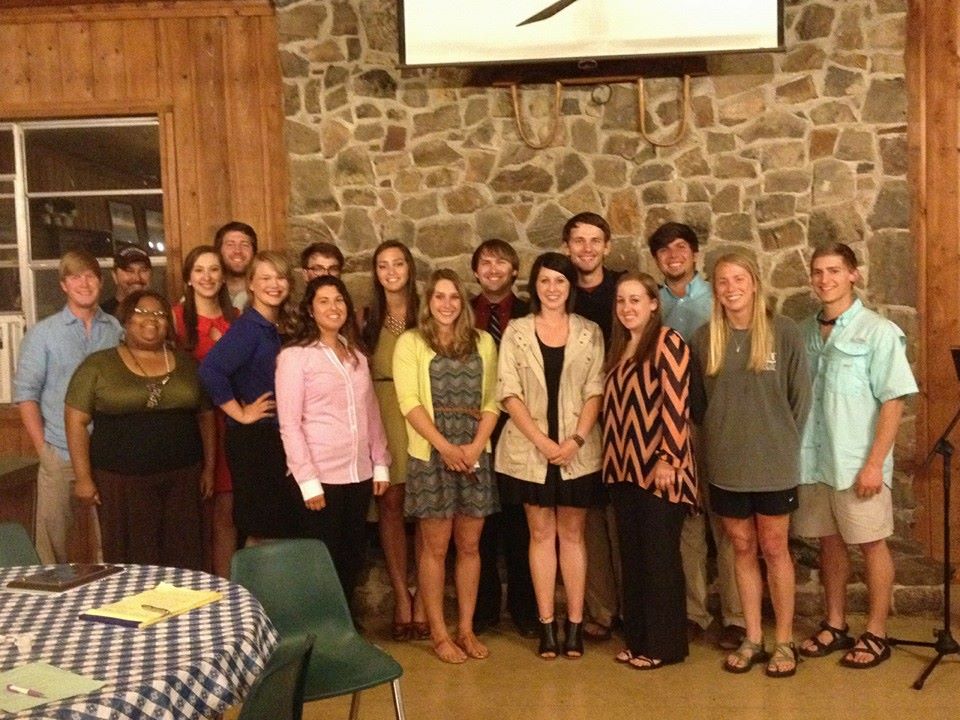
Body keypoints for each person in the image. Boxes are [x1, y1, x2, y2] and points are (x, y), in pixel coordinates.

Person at [794, 243, 918, 669]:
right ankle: (835, 624)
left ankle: (877, 632)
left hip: (856, 465)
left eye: (834, 270)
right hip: (815, 462)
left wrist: (874, 464)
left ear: (853, 275)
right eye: (818, 271)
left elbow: (893, 401)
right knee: (829, 544)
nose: (825, 279)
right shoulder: (803, 333)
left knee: (871, 544)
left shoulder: (878, 332)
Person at [691, 252, 811, 678]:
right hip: (726, 464)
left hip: (774, 463)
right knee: (741, 547)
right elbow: (699, 407)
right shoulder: (705, 338)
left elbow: (800, 399)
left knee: (775, 548)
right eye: (722, 281)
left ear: (755, 282)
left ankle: (784, 641)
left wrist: (780, 442)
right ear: (715, 290)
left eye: (739, 278)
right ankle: (753, 637)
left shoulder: (784, 331)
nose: (731, 288)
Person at [496, 251, 605, 660]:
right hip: (530, 450)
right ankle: (546, 625)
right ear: (535, 286)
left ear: (570, 286)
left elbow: (596, 389)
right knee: (540, 535)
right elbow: (508, 391)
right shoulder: (517, 331)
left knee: (573, 536)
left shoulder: (590, 331)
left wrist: (575, 439)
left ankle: (574, 624)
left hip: (577, 449)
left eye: (560, 281)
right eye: (545, 281)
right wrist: (542, 442)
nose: (552, 288)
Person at [393, 269, 500, 664]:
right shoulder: (411, 341)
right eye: (439, 296)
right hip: (432, 453)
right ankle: (439, 633)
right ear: (428, 301)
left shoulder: (483, 341)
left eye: (454, 296)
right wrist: (445, 447)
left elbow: (493, 400)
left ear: (463, 302)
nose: (447, 304)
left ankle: (465, 629)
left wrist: (475, 447)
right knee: (435, 548)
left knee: (469, 546)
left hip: (474, 452)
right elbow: (409, 401)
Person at [647, 221, 745, 650]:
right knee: (688, 519)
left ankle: (737, 616)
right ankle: (692, 612)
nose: (673, 256)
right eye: (664, 250)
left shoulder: (718, 298)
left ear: (694, 253)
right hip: (672, 426)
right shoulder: (652, 303)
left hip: (718, 421)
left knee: (727, 518)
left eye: (680, 247)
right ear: (656, 259)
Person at [65, 290, 214, 567]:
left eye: (159, 314)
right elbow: (76, 421)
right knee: (132, 559)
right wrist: (83, 478)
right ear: (126, 320)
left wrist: (209, 468)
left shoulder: (187, 364)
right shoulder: (98, 365)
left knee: (185, 554)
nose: (151, 319)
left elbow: (206, 417)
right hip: (121, 482)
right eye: (141, 313)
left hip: (183, 478)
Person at [603, 272, 697, 670]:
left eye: (635, 300)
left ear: (654, 304)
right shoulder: (621, 347)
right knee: (634, 559)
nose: (627, 308)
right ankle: (638, 639)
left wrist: (668, 457)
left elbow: (677, 403)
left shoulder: (666, 341)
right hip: (623, 469)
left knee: (659, 561)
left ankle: (664, 645)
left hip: (660, 470)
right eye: (621, 301)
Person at [277, 275, 390, 603]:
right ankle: (319, 626)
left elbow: (371, 410)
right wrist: (307, 481)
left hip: (358, 474)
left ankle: (345, 623)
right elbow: (289, 424)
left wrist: (380, 462)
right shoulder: (295, 356)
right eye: (323, 301)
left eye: (339, 300)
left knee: (351, 556)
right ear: (310, 310)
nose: (333, 307)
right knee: (320, 563)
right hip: (320, 477)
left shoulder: (356, 355)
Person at [13, 249, 123, 563]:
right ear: (64, 285)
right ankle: (52, 591)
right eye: (75, 277)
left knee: (110, 540)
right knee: (52, 542)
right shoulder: (43, 334)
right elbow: (26, 394)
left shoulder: (116, 330)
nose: (84, 284)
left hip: (107, 451)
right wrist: (43, 448)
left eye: (90, 276)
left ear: (101, 282)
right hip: (59, 452)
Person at [199, 250, 301, 544]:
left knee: (281, 525)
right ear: (251, 284)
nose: (274, 284)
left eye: (280, 277)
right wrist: (240, 413)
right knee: (263, 527)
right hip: (257, 439)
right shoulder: (248, 328)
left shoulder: (278, 326)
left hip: (277, 436)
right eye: (265, 278)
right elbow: (210, 371)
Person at [470, 238, 538, 638]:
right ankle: (483, 609)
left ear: (514, 270)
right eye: (485, 263)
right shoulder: (460, 312)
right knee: (479, 524)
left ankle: (526, 610)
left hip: (520, 427)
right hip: (474, 427)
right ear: (475, 271)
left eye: (501, 263)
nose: (493, 269)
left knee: (521, 524)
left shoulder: (532, 312)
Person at [360, 240, 428, 641]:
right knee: (391, 505)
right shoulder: (367, 319)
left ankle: (424, 599)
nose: (391, 272)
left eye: (398, 263)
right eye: (382, 265)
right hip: (384, 411)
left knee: (427, 510)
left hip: (422, 412)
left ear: (409, 268)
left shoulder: (427, 311)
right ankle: (402, 597)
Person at [562, 211, 622, 642]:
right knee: (591, 522)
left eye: (594, 240)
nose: (587, 248)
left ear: (607, 246)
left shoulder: (623, 289)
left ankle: (635, 608)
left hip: (624, 414)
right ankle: (601, 609)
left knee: (626, 518)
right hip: (575, 421)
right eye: (578, 241)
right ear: (568, 247)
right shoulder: (559, 291)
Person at [171, 245, 238, 578]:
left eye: (214, 270)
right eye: (199, 270)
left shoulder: (235, 319)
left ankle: (223, 585)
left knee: (225, 511)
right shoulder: (174, 319)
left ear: (223, 277)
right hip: (188, 425)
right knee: (192, 513)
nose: (207, 277)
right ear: (188, 277)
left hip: (229, 423)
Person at [214, 221, 258, 311]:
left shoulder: (267, 291)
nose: (237, 251)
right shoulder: (206, 290)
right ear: (219, 251)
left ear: (254, 252)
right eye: (230, 244)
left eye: (245, 245)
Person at [101, 243, 152, 317]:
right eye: (129, 270)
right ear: (114, 275)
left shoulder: (160, 312)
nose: (137, 278)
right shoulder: (102, 316)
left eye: (143, 270)